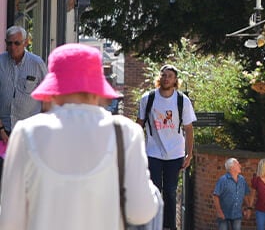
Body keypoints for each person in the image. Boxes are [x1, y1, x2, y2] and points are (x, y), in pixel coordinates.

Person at [0, 42, 159, 230]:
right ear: (97, 91)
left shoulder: (25, 133)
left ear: (54, 91)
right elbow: (141, 212)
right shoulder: (126, 133)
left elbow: (9, 222)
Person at [137, 63, 197, 230]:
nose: (166, 78)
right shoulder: (147, 99)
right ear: (159, 77)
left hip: (175, 153)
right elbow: (138, 126)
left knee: (170, 192)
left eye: (170, 76)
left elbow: (189, 129)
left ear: (175, 80)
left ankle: (170, 226)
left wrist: (189, 154)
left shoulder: (182, 101)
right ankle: (153, 225)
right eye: (163, 75)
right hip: (153, 152)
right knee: (154, 190)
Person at [0, 27, 48, 158]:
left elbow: (48, 97)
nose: (12, 47)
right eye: (9, 43)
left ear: (25, 43)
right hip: (3, 132)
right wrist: (1, 130)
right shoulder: (1, 62)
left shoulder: (37, 63)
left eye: (17, 43)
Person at [213, 157, 252, 230]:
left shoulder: (242, 180)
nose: (240, 166)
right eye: (238, 164)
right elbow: (215, 196)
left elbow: (245, 194)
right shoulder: (223, 180)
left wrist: (248, 208)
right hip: (224, 214)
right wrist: (219, 211)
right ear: (232, 167)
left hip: (237, 214)